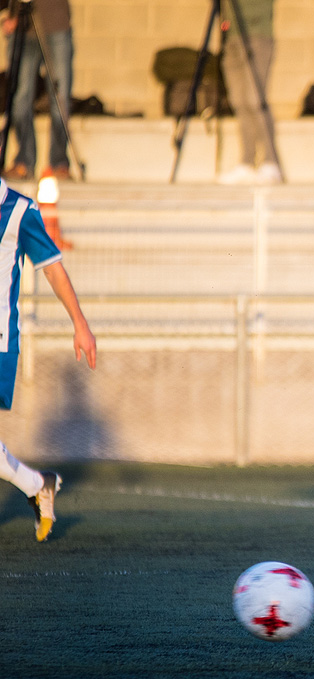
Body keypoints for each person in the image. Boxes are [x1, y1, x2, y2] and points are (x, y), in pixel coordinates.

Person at [0, 177, 97, 540]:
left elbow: (53, 268)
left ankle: (37, 484)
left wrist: (80, 324)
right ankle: (39, 484)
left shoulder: (21, 211)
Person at [1, 0, 73, 182]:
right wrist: (7, 14)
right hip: (22, 28)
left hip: (56, 24)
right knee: (19, 99)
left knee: (60, 98)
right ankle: (24, 160)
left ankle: (59, 163)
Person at [218, 0, 282, 185]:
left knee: (255, 99)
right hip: (231, 37)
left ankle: (271, 162)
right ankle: (247, 162)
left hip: (257, 35)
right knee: (239, 101)